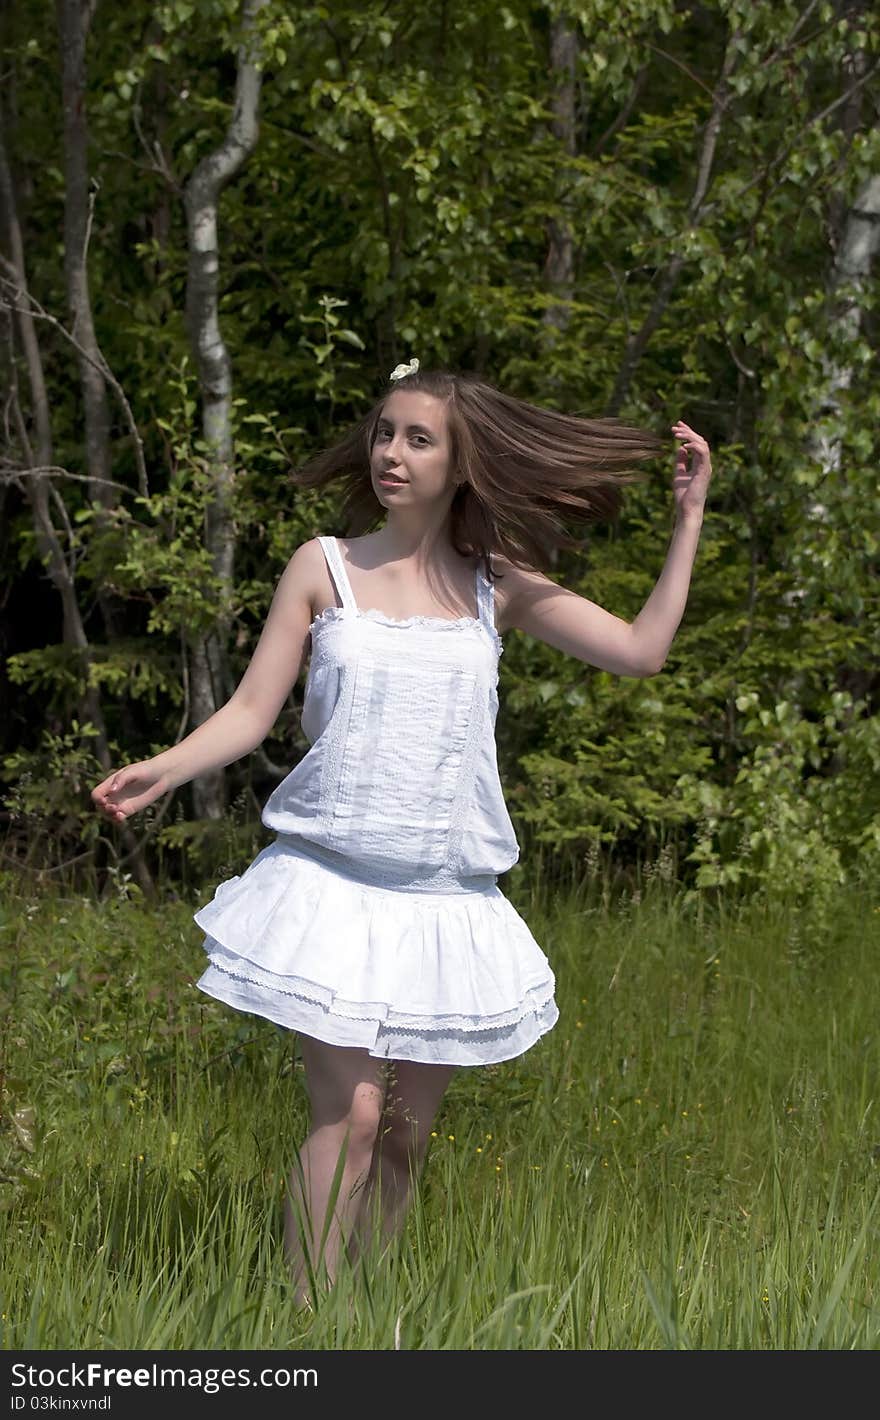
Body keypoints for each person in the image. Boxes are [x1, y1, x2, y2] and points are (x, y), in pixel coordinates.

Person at [91, 359, 712, 1307]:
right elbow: (254, 712)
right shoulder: (325, 566)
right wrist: (163, 768)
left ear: (461, 461)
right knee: (352, 1114)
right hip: (331, 885)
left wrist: (688, 523)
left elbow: (641, 652)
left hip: (445, 902)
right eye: (385, 432)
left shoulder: (493, 587)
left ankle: (366, 1320)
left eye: (417, 438)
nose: (391, 452)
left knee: (405, 1135)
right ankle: (307, 1322)